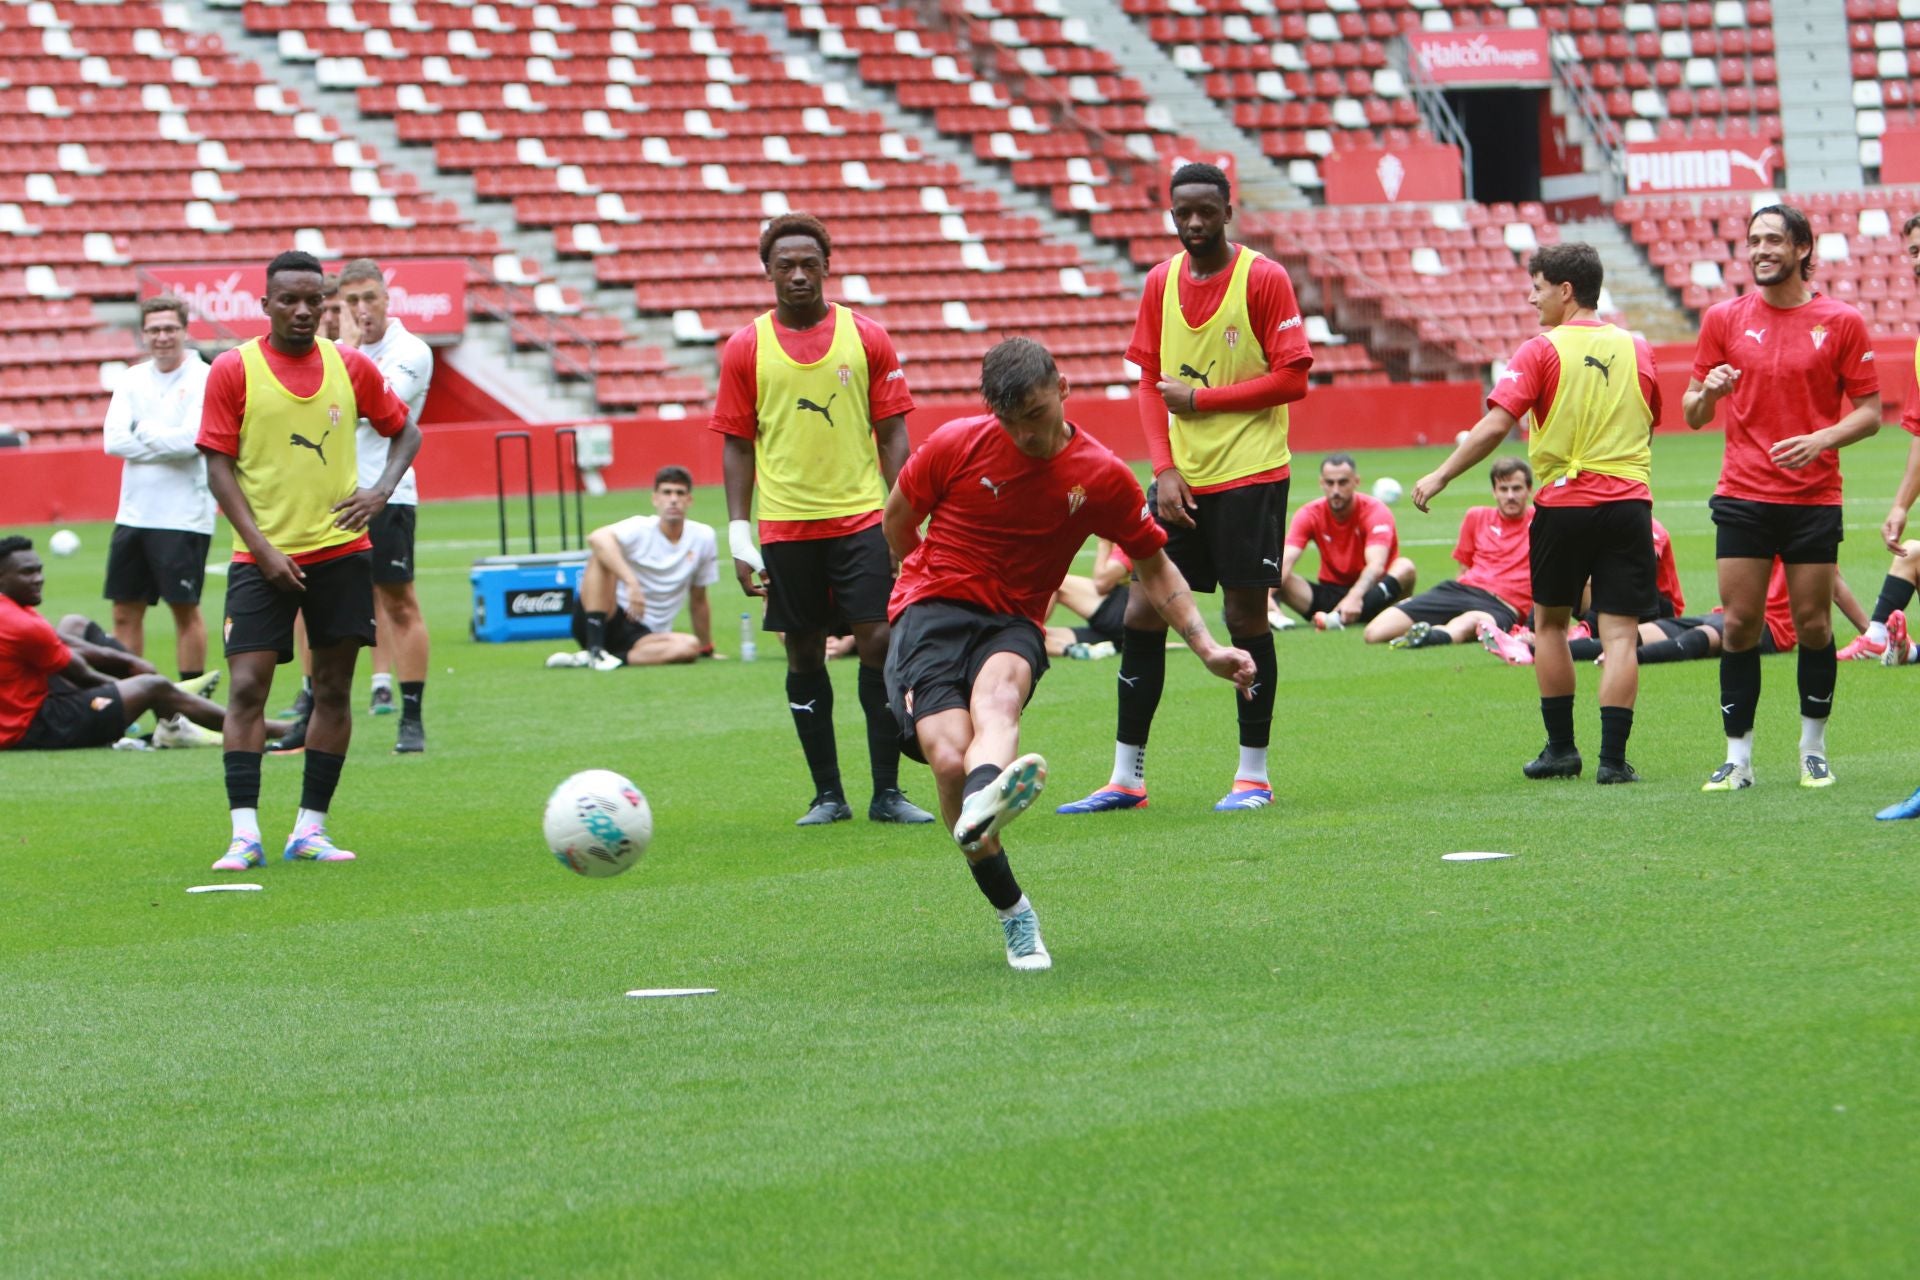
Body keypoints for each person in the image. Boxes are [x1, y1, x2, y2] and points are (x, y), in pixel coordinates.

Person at [881, 339, 1255, 970]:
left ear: (1062, 387)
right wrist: (918, 584)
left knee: (998, 700)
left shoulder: (1100, 474)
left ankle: (981, 804)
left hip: (1015, 620)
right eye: (1012, 421)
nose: (1026, 433)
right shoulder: (954, 444)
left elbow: (1156, 570)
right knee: (945, 756)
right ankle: (1012, 909)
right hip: (932, 609)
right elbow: (897, 521)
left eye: (1034, 413)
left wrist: (1209, 647)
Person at [1057, 161, 1311, 816]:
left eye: (1205, 210)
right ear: (1171, 214)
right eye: (1183, 212)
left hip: (1252, 475)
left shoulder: (1263, 278)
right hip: (1183, 482)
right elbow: (1148, 381)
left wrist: (1202, 398)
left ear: (1229, 211)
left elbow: (1293, 379)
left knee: (1245, 616)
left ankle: (1252, 776)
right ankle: (1126, 778)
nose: (1194, 223)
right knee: (1144, 611)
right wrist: (1163, 468)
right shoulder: (1158, 284)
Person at [196, 249, 420, 871]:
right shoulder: (233, 370)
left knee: (331, 689)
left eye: (312, 299)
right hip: (259, 559)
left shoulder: (349, 367)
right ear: (265, 304)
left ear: (327, 305)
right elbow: (217, 466)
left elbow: (405, 430)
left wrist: (380, 492)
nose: (301, 309)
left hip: (342, 555)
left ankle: (309, 830)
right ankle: (244, 834)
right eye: (288, 299)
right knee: (247, 689)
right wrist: (262, 547)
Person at [710, 213, 932, 827]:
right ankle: (827, 794)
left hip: (862, 518)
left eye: (810, 264)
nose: (799, 275)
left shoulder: (866, 337)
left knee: (879, 642)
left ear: (828, 267)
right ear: (768, 273)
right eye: (786, 266)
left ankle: (886, 792)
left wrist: (905, 518)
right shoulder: (745, 346)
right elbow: (736, 443)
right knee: (803, 653)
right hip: (785, 526)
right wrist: (737, 533)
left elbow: (893, 434)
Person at [1413, 243, 1659, 783]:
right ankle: (1614, 762)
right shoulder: (1639, 347)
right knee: (1620, 635)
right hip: (1629, 503)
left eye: (1539, 287)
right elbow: (1650, 416)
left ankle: (1562, 750)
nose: (1532, 298)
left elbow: (1497, 426)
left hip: (1566, 504)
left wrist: (1441, 475)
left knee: (1548, 624)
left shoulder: (1539, 350)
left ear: (1566, 291)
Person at [1684, 203, 1880, 791]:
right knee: (1740, 624)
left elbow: (1870, 414)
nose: (1760, 250)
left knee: (1814, 625)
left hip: (1813, 498)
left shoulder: (1841, 321)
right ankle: (1737, 759)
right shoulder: (1722, 319)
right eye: (1753, 241)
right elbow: (1692, 414)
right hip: (1742, 494)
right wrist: (1710, 393)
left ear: (1801, 249)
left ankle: (1812, 750)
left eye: (1773, 240)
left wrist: (1822, 438)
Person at [0, 537, 285, 751]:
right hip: (32, 726)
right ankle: (269, 729)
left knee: (74, 624)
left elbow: (56, 640)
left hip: (19, 704)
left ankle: (174, 704)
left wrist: (128, 668)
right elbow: (82, 675)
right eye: (27, 573)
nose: (38, 579)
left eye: (39, 570)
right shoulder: (23, 624)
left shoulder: (12, 611)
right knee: (152, 687)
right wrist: (140, 688)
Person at [101, 295, 215, 704]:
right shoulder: (132, 379)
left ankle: (189, 707)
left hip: (184, 515)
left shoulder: (205, 376)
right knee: (124, 611)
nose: (162, 337)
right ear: (143, 334)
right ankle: (128, 702)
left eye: (170, 328)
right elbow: (113, 441)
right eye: (154, 330)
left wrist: (145, 433)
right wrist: (164, 439)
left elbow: (195, 440)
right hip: (134, 513)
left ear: (185, 331)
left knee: (184, 609)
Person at [340, 258, 434, 752]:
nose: (361, 310)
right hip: (328, 496)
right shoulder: (331, 352)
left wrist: (346, 354)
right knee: (314, 605)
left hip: (388, 493)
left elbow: (380, 408)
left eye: (368, 298)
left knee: (398, 602)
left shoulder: (409, 351)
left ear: (386, 298)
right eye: (351, 301)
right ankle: (313, 706)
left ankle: (411, 715)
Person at [547, 466, 721, 667]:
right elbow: (596, 537)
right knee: (601, 554)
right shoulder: (640, 528)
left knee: (690, 646)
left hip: (647, 636)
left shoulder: (703, 537)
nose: (673, 499)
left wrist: (706, 648)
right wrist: (632, 583)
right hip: (607, 616)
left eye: (679, 493)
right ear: (655, 499)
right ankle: (595, 647)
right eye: (667, 492)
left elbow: (699, 599)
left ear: (689, 500)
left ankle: (597, 659)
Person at [1366, 458, 1536, 649]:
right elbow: (1463, 569)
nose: (1510, 496)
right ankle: (1431, 630)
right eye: (1503, 489)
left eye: (1517, 488)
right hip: (1460, 591)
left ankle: (1432, 635)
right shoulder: (1477, 516)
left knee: (1468, 623)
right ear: (1494, 492)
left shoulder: (1541, 521)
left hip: (1504, 604)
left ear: (1529, 490)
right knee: (1375, 632)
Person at [1276, 453, 1416, 630]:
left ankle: (1393, 617)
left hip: (1371, 596)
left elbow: (1376, 565)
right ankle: (1333, 616)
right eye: (1329, 483)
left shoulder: (1375, 511)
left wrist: (1354, 596)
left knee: (1405, 567)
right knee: (1275, 576)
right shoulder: (1309, 513)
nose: (1335, 490)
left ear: (1356, 482)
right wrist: (1265, 601)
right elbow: (1286, 560)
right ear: (1321, 483)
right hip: (1330, 596)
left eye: (1342, 482)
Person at [1041, 538, 1131, 658]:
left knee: (1052, 581)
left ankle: (1022, 631)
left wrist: (1104, 542)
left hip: (1126, 613)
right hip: (1134, 623)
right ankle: (1072, 650)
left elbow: (1101, 583)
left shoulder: (1132, 535)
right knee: (1044, 635)